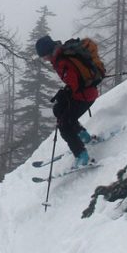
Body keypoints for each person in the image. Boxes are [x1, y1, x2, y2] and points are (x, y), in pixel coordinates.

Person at [35, 34, 99, 167]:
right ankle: (83, 136)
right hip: (85, 92)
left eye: (44, 56)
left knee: (64, 124)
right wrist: (65, 93)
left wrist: (66, 92)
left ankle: (82, 155)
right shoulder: (62, 53)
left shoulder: (62, 61)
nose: (45, 59)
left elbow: (74, 83)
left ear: (48, 52)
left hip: (85, 95)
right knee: (58, 109)